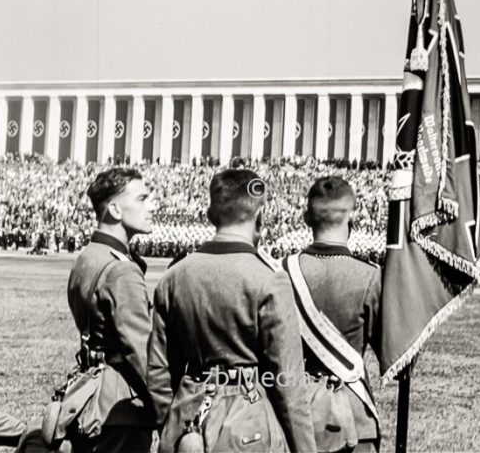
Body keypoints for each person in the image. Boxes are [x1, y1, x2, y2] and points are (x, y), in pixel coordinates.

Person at [147, 169, 317, 453]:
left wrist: (172, 421)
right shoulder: (269, 278)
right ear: (260, 216)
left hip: (186, 423)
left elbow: (158, 372)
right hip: (249, 426)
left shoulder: (174, 276)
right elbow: (289, 383)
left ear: (210, 215)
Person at [279, 177, 381, 452]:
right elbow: (390, 354)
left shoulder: (281, 272)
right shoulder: (370, 276)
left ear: (305, 218)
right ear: (353, 219)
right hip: (352, 417)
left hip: (294, 414)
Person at [66, 167, 157, 452]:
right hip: (121, 406)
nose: (152, 205)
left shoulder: (88, 256)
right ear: (115, 210)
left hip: (90, 389)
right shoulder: (121, 269)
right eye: (142, 199)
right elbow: (142, 353)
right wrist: (170, 408)